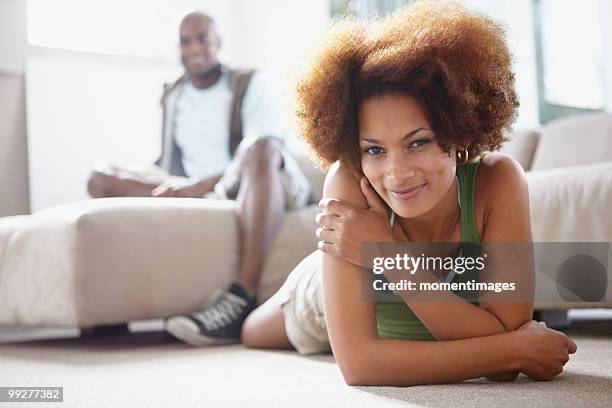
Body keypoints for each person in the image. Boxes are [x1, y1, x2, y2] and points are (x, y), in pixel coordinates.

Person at [240, 1, 577, 386]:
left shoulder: (498, 181)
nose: (397, 174)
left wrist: (389, 254)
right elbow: (360, 367)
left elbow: (501, 364)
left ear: (458, 132)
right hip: (327, 282)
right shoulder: (349, 184)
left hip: (370, 246)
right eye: (374, 150)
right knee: (251, 331)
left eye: (418, 143)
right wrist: (513, 348)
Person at [87, 11, 312, 346]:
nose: (194, 47)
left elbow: (265, 151)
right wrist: (176, 186)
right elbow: (167, 161)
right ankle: (110, 305)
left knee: (259, 147)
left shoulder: (248, 83)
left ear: (218, 41)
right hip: (193, 185)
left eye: (202, 38)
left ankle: (241, 296)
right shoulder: (173, 94)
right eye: (185, 40)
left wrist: (202, 184)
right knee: (100, 177)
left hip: (252, 178)